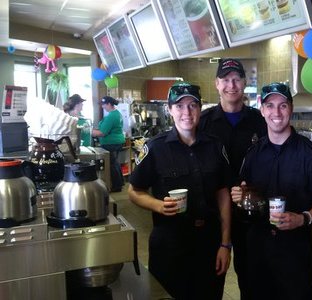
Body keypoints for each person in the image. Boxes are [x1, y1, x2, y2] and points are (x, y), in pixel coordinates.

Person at [128, 82, 232, 299]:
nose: (187, 112)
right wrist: (158, 205)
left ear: (200, 108)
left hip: (208, 243)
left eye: (193, 105)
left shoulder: (215, 146)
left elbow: (223, 194)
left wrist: (225, 243)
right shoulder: (155, 147)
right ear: (170, 109)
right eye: (180, 106)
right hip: (169, 244)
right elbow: (134, 191)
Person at [230, 82, 312, 300]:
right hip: (258, 249)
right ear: (262, 109)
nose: (276, 112)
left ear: (291, 108)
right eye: (270, 105)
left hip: (295, 251)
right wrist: (239, 197)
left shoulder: (310, 153)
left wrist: (303, 218)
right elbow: (243, 195)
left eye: (282, 105)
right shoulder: (252, 154)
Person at [199, 58, 267, 299]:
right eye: (225, 80)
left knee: (252, 279)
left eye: (236, 79)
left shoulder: (260, 121)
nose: (231, 85)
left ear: (244, 83)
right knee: (209, 280)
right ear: (217, 83)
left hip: (252, 214)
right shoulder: (203, 122)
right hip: (212, 215)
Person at [91, 96, 125, 192]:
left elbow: (102, 132)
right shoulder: (117, 114)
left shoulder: (111, 116)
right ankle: (119, 183)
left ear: (109, 104)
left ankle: (116, 186)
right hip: (117, 142)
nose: (102, 106)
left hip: (111, 143)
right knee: (115, 164)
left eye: (104, 104)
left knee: (112, 165)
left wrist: (89, 132)